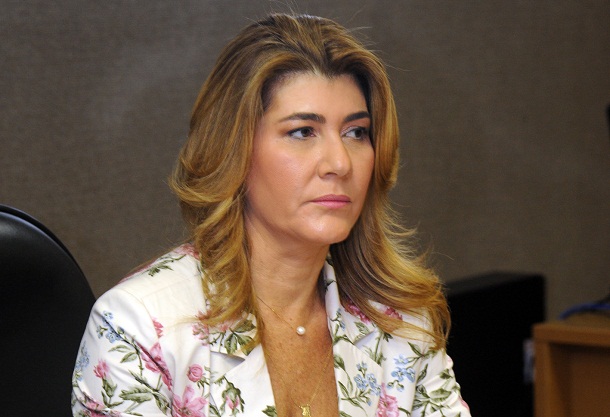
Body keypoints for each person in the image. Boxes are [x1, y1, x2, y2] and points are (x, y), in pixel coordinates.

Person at [71, 13, 471, 417]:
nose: (339, 163)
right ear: (235, 150)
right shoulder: (138, 328)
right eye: (303, 132)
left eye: (356, 132)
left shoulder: (403, 320)